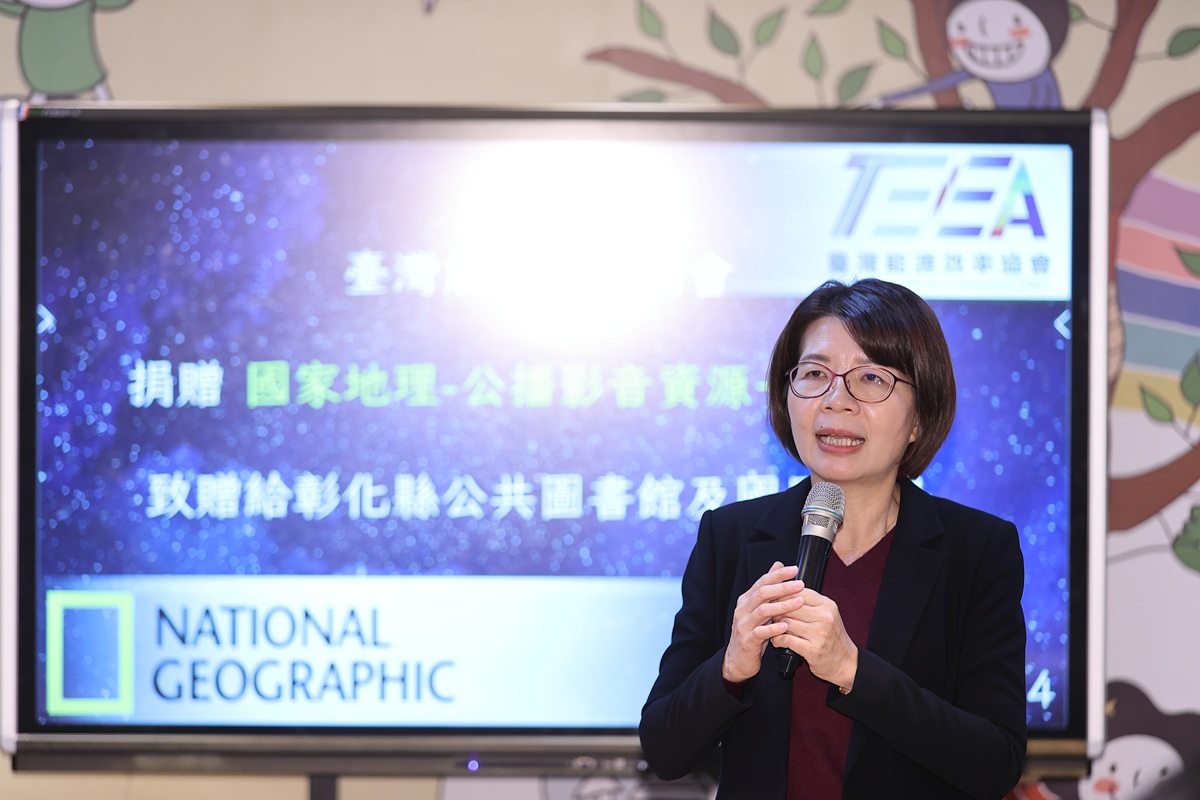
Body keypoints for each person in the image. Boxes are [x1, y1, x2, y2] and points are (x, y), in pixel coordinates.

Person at [639, 278, 1027, 799]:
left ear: (919, 417)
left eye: (871, 378)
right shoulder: (729, 537)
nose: (837, 401)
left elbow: (994, 763)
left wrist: (852, 670)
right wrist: (731, 666)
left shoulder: (977, 551)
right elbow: (664, 749)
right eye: (815, 374)